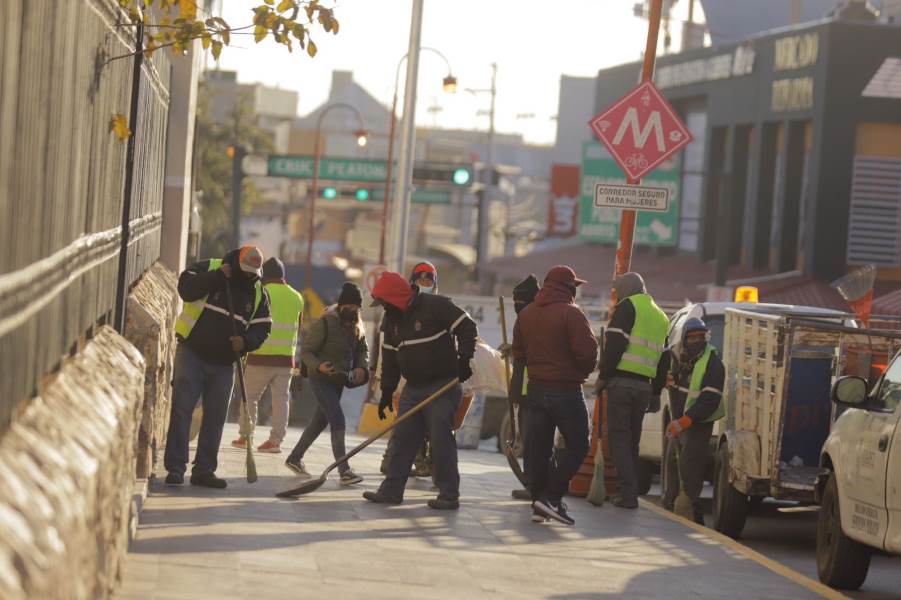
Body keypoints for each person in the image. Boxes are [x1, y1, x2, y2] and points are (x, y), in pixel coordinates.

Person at [363, 271, 477, 510]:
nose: (383, 308)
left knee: (440, 438)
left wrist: (464, 359)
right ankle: (391, 490)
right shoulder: (391, 320)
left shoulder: (435, 305)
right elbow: (391, 359)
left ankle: (448, 494)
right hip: (413, 388)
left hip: (442, 385)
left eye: (384, 303)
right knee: (402, 439)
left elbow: (467, 327)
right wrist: (386, 392)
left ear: (396, 298)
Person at [164, 246, 272, 489]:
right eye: (246, 271)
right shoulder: (210, 268)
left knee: (215, 418)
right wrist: (216, 278)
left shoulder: (258, 292)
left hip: (224, 364)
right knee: (182, 410)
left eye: (254, 273)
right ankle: (175, 467)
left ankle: (204, 470)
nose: (250, 277)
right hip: (192, 352)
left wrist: (245, 342)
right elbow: (186, 290)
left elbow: (263, 326)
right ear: (236, 264)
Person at [512, 266, 598, 525]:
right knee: (579, 444)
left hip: (536, 389)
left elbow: (519, 354)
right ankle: (551, 497)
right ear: (568, 287)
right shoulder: (572, 314)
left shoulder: (525, 314)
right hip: (566, 391)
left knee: (539, 450)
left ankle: (541, 504)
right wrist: (579, 371)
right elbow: (588, 354)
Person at [597, 272, 670, 509]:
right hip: (644, 389)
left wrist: (603, 376)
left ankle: (627, 494)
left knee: (619, 439)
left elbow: (615, 346)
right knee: (632, 441)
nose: (617, 296)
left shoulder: (628, 307)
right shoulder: (660, 315)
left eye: (618, 290)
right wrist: (657, 392)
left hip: (621, 384)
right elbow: (664, 359)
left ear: (627, 288)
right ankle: (627, 490)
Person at [285, 283, 369, 485]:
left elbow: (361, 351)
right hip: (320, 379)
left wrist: (361, 369)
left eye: (356, 307)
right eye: (349, 306)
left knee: (319, 423)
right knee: (338, 420)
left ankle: (294, 458)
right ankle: (345, 471)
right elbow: (307, 351)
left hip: (338, 381)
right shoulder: (326, 323)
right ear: (341, 305)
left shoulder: (358, 325)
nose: (353, 311)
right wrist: (319, 366)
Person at [230, 257, 303, 453]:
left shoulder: (261, 292)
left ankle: (246, 436)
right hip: (286, 359)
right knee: (281, 400)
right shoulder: (297, 297)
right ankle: (275, 441)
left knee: (250, 397)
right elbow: (299, 327)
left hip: (259, 356)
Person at [380, 260, 440, 478]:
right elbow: (388, 348)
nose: (423, 282)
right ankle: (392, 460)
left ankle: (428, 463)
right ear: (412, 281)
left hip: (435, 375)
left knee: (431, 423)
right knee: (406, 422)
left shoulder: (439, 307)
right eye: (420, 278)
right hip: (407, 374)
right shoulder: (400, 306)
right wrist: (386, 385)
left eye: (428, 279)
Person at [662, 318, 725, 525]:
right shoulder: (676, 358)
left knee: (689, 465)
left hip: (698, 423)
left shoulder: (714, 364)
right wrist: (666, 379)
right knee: (672, 461)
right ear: (685, 338)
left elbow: (709, 401)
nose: (697, 341)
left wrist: (684, 422)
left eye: (701, 337)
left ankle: (692, 511)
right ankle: (670, 504)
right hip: (679, 418)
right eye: (692, 337)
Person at [505, 274, 541, 501]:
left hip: (531, 391)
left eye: (519, 303)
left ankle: (533, 486)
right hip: (533, 389)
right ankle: (535, 484)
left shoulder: (529, 318)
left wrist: (516, 393)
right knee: (535, 440)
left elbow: (523, 358)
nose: (517, 308)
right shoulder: (536, 315)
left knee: (533, 441)